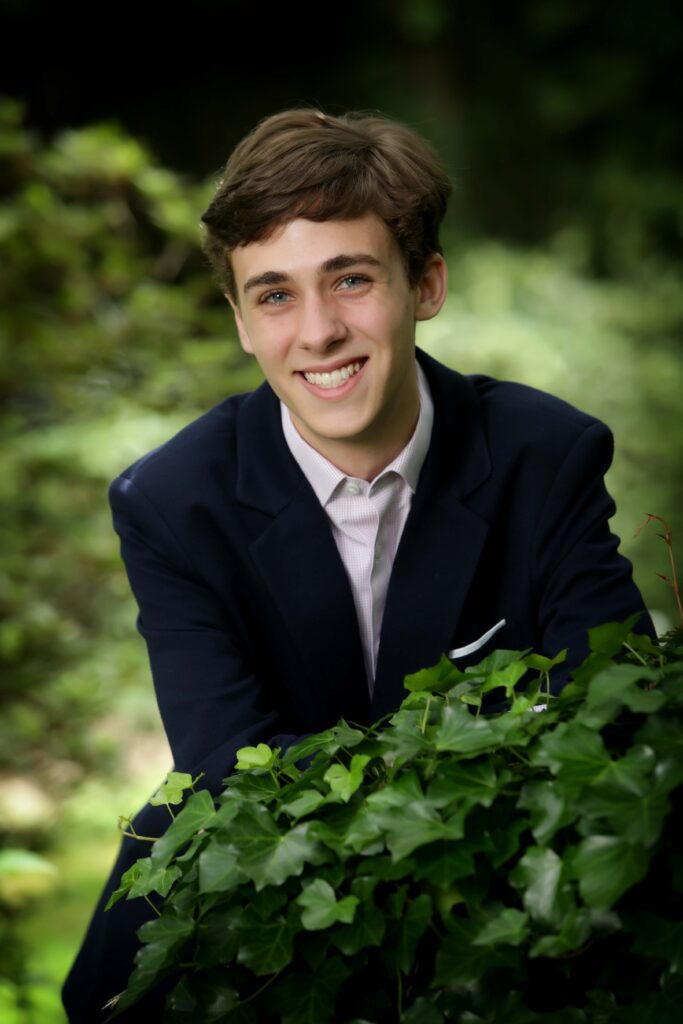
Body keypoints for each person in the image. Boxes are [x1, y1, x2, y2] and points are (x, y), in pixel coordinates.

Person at [62, 109, 653, 1021]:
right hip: (239, 895)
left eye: (350, 279)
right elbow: (229, 767)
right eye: (273, 294)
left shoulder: (547, 456)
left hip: (494, 907)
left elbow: (611, 715)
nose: (318, 331)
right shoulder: (173, 501)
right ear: (239, 319)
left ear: (426, 283)